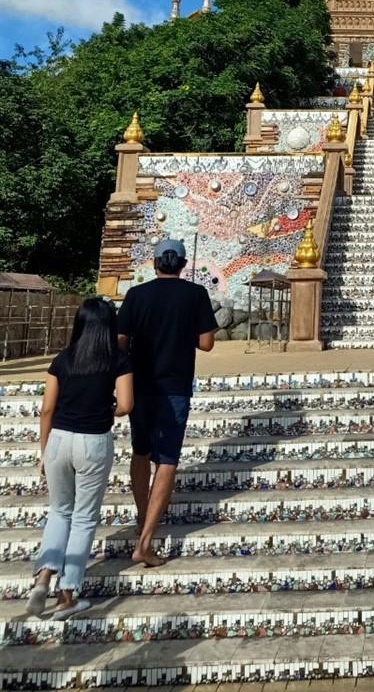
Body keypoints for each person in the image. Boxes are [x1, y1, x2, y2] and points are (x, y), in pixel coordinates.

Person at [28, 298, 134, 619]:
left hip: (58, 439)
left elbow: (47, 408)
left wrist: (43, 453)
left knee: (59, 512)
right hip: (93, 442)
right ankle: (67, 595)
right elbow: (127, 404)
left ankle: (43, 575)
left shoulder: (63, 359)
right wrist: (106, 410)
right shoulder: (118, 360)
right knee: (84, 518)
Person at [117, 238, 217, 566]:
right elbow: (206, 344)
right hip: (174, 383)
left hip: (141, 383)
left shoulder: (136, 295)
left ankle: (142, 516)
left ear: (155, 263)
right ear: (183, 263)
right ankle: (146, 540)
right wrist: (179, 334)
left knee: (140, 451)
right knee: (168, 458)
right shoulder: (195, 294)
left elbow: (120, 340)